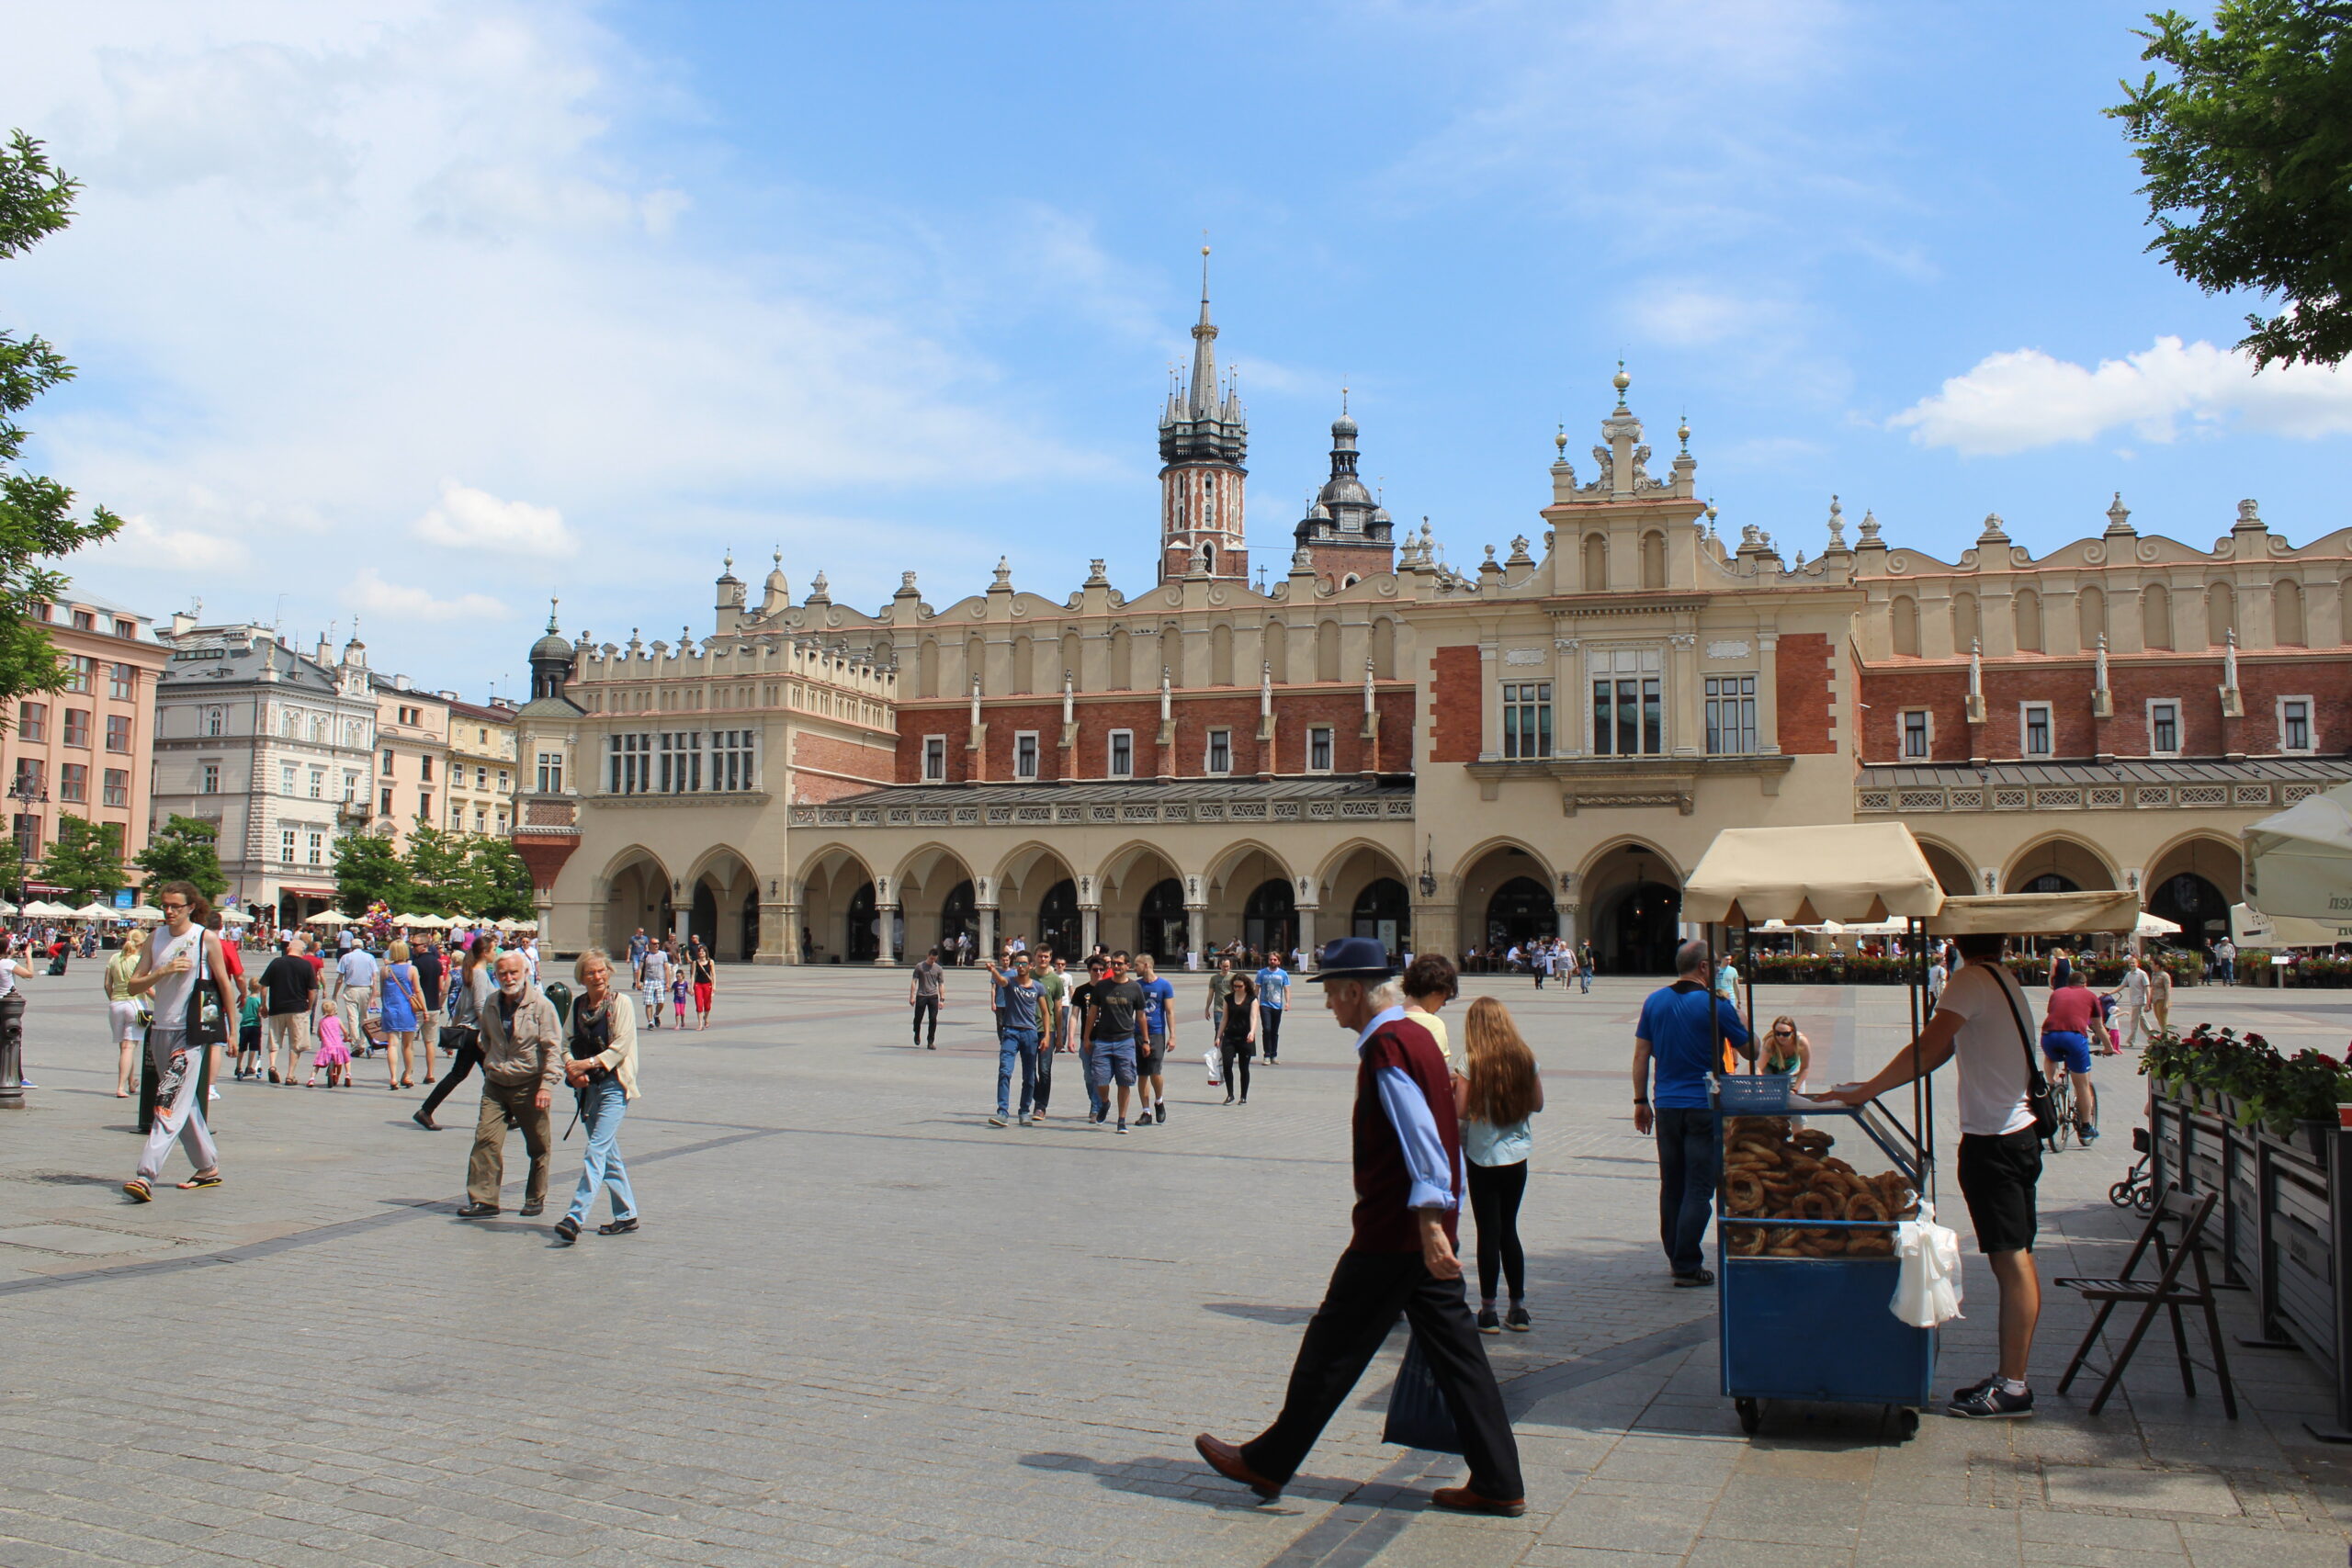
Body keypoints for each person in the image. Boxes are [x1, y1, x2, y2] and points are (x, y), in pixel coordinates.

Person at [1193, 936, 1524, 1516]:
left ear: (1353, 991)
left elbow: (1421, 1138)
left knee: (1331, 1346)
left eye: (1330, 993)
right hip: (1419, 1230)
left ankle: (1268, 1462)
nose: (1328, 1005)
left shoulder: (1389, 1046)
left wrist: (1428, 1222)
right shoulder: (1417, 1037)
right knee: (1458, 1357)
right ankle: (1499, 1480)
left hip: (1395, 1233)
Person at [1821, 932, 2046, 1418]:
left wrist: (1867, 1089)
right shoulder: (2003, 978)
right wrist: (1872, 1085)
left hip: (1996, 1142)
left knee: (2012, 1262)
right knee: (2017, 1258)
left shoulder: (1969, 979)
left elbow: (1928, 1047)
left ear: (1959, 940)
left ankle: (2014, 1386)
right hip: (2018, 1136)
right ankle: (2010, 1379)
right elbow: (1943, 1050)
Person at [1632, 940, 1753, 1286]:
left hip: (1667, 1105)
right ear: (1702, 967)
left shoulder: (1654, 1001)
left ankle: (1675, 1254)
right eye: (1714, 964)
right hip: (1703, 1105)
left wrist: (1640, 1101)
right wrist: (1743, 1021)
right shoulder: (1716, 1005)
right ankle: (1686, 1264)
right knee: (1699, 1187)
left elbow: (1641, 1055)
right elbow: (1750, 1051)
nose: (1718, 969)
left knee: (1672, 1184)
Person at [121, 882, 239, 1201]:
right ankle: (207, 1166)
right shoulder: (155, 938)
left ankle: (145, 1175)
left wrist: (232, 1031)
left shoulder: (204, 938)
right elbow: (134, 985)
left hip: (190, 1031)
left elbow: (224, 985)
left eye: (176, 906)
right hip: (160, 1028)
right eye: (165, 905)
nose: (169, 911)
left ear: (191, 907)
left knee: (170, 1101)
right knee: (184, 1102)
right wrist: (163, 972)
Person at [1455, 995, 1543, 1334]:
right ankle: (1518, 1308)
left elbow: (1461, 1110)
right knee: (1509, 1229)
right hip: (1516, 1155)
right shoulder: (1525, 1058)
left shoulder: (1471, 1061)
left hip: (1482, 1156)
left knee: (1487, 1232)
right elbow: (1537, 1103)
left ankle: (1489, 1310)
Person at [456, 950, 563, 1219]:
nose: (508, 978)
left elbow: (553, 1048)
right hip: (496, 1084)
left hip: (530, 1085)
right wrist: (493, 1062)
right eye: (502, 973)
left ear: (525, 972)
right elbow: (486, 1039)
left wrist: (546, 1085)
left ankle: (535, 1197)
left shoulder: (541, 1006)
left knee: (538, 1145)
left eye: (513, 972)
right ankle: (484, 1200)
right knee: (486, 1140)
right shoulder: (492, 1002)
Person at [555, 950, 640, 1243]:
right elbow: (564, 1042)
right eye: (590, 972)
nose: (597, 976)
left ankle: (575, 1217)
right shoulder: (578, 1005)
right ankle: (626, 1214)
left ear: (609, 972)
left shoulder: (621, 1003)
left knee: (596, 1150)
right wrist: (572, 1068)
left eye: (601, 970)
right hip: (587, 1089)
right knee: (607, 1152)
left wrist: (587, 1064)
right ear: (581, 977)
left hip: (615, 1084)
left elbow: (621, 1046)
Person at [415, 936, 494, 1130]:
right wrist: (489, 1031)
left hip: (468, 1033)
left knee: (470, 1074)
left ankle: (426, 1110)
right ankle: (425, 1110)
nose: (495, 953)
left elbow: (460, 1005)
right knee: (487, 1075)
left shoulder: (472, 972)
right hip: (475, 1034)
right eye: (494, 949)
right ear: (485, 953)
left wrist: (456, 1026)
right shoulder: (479, 974)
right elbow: (479, 1005)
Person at [1081, 952, 1146, 1133]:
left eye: (1120, 964)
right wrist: (1086, 1037)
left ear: (1127, 966)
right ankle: (1105, 1102)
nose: (1117, 967)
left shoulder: (1135, 988)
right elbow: (1092, 1013)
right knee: (1100, 1080)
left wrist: (1146, 1040)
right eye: (1114, 963)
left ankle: (1121, 1120)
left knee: (1124, 1081)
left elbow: (1141, 1016)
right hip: (1103, 1041)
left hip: (1125, 1041)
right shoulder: (1102, 986)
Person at [2040, 968, 2099, 1144]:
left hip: (2048, 1036)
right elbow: (2098, 1026)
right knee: (2082, 1085)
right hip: (2074, 1038)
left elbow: (2054, 1013)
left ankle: (2052, 1085)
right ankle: (2086, 1127)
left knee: (2051, 1056)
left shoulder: (2057, 993)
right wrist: (2109, 1047)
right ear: (2085, 984)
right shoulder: (2090, 995)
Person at [987, 953, 1043, 1128]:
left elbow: (1045, 1011)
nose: (1020, 966)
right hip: (1010, 1031)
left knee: (1029, 1076)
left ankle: (1024, 1111)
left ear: (1031, 966)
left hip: (1030, 1034)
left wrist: (1048, 1036)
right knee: (1005, 1070)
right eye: (1018, 963)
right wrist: (993, 970)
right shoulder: (1010, 982)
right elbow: (1001, 981)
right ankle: (1002, 1112)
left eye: (1024, 963)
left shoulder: (1038, 987)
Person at [374, 940, 428, 1089]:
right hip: (407, 1010)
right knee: (408, 1045)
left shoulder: (385, 970)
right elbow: (418, 991)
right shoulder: (412, 969)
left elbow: (383, 992)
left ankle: (393, 1077)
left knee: (392, 1044)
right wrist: (424, 1009)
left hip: (390, 1009)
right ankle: (408, 1075)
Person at [103, 929, 146, 1098]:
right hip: (135, 1004)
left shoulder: (114, 958)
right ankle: (121, 1087)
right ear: (142, 944)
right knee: (129, 1046)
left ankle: (131, 1082)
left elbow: (107, 984)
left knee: (125, 1047)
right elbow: (146, 987)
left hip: (116, 1004)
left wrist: (113, 999)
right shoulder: (139, 960)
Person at [1134, 953, 1176, 1126]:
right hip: (1138, 1033)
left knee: (1155, 1071)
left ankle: (1159, 1101)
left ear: (1146, 965)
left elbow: (1169, 1012)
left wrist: (1172, 1036)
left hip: (1156, 1033)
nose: (1134, 968)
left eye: (1136, 965)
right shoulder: (1136, 986)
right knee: (1142, 1073)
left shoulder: (1164, 985)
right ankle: (1146, 1112)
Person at [1400, 953, 1460, 1066]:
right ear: (1436, 992)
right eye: (1445, 997)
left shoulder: (1385, 1018)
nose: (1444, 1004)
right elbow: (1434, 1071)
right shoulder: (1433, 1025)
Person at [1213, 969, 1257, 1105]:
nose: (1237, 989)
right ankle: (1230, 1094)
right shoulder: (1228, 998)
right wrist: (1218, 1036)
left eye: (1239, 986)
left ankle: (1243, 1096)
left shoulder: (1252, 999)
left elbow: (1253, 1017)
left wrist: (1252, 1032)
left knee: (1244, 1068)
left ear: (1246, 985)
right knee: (1227, 1065)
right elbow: (1224, 1019)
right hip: (1230, 1036)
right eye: (1235, 986)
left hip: (1245, 1037)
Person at [335, 938, 379, 1058]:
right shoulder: (370, 957)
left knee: (352, 1017)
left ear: (351, 947)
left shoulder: (346, 957)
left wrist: (334, 994)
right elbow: (374, 977)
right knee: (364, 1017)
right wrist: (374, 994)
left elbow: (340, 979)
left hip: (351, 988)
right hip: (366, 989)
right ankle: (363, 1042)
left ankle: (356, 1044)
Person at [2111, 955, 2150, 1055]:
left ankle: (2131, 1040)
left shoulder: (2142, 974)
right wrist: (2110, 993)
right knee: (2142, 1021)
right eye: (2130, 963)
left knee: (2134, 1020)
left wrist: (2148, 1002)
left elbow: (2147, 988)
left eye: (2133, 963)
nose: (2132, 965)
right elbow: (2122, 985)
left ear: (2137, 964)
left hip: (2140, 1001)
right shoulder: (2129, 974)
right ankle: (2153, 1037)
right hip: (2134, 1001)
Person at [1759, 1014, 1813, 1087]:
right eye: (1777, 1033)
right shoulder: (1770, 1042)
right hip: (1770, 1070)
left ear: (1793, 1032)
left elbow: (1805, 1068)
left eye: (1786, 1034)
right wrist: (1759, 1084)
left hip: (1791, 1070)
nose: (1781, 1037)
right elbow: (1759, 1068)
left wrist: (1795, 1089)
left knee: (1796, 1092)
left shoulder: (1801, 1042)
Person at [1254, 953, 1289, 1065]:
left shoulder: (1283, 974)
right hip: (1265, 1005)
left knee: (1274, 1031)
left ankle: (1274, 1055)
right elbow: (1257, 989)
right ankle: (1267, 1055)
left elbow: (1286, 989)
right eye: (1271, 959)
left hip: (1277, 1006)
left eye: (1275, 960)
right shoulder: (1261, 973)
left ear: (1279, 961)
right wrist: (1254, 1002)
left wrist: (1287, 1003)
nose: (1272, 961)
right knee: (1267, 1029)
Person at [910, 948, 944, 1049]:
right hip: (921, 995)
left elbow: (941, 984)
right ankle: (917, 1033)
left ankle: (930, 1041)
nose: (932, 961)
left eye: (934, 959)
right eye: (931, 958)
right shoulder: (919, 966)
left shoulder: (938, 969)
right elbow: (914, 982)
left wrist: (942, 999)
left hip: (933, 996)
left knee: (933, 1019)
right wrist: (912, 996)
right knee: (918, 1018)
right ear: (927, 956)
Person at [639, 938, 671, 1028]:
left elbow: (666, 969)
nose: (656, 945)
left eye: (658, 943)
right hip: (649, 981)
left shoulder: (663, 954)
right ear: (650, 944)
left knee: (661, 1002)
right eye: (654, 943)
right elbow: (640, 968)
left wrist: (668, 983)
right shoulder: (645, 955)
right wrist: (638, 982)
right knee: (648, 1002)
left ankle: (656, 1015)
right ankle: (650, 1022)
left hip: (660, 981)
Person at [689, 940, 716, 1029]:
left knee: (707, 1005)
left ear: (706, 952)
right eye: (700, 951)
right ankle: (700, 1024)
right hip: (698, 985)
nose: (701, 953)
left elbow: (713, 974)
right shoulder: (695, 962)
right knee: (699, 1004)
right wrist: (691, 987)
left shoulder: (710, 962)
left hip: (708, 984)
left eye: (703, 951)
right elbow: (693, 975)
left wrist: (714, 986)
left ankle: (706, 1018)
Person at [2149, 956, 2172, 1034]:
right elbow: (2152, 988)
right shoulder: (2154, 974)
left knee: (2163, 1020)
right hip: (2155, 999)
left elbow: (2168, 990)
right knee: (2159, 1020)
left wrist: (2166, 1003)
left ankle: (2165, 1036)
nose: (2151, 966)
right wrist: (2149, 1001)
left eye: (2152, 964)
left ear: (2157, 966)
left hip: (2162, 999)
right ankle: (2163, 1035)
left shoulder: (2164, 975)